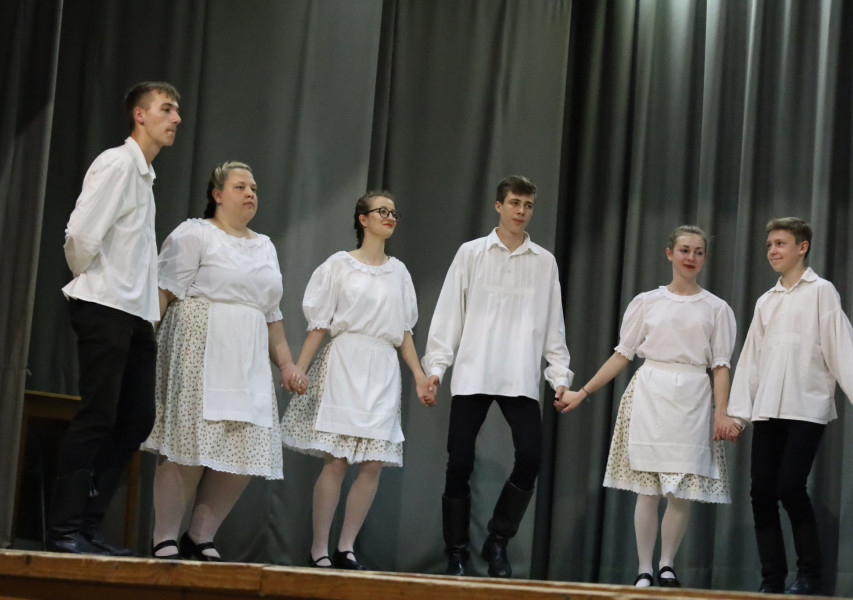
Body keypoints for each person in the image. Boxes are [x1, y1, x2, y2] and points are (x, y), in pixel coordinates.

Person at [556, 225, 741, 588]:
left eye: (698, 252)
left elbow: (721, 366)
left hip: (693, 397)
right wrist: (583, 392)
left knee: (679, 489)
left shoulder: (716, 308)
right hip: (651, 393)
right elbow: (622, 354)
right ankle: (644, 569)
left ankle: (667, 564)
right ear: (670, 253)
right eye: (684, 250)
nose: (691, 258)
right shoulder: (647, 302)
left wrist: (721, 412)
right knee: (649, 488)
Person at [142, 161, 304, 561]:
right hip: (200, 347)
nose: (250, 193)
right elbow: (164, 293)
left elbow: (272, 314)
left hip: (248, 355)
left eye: (254, 188)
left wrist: (286, 365)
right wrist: (141, 343)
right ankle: (164, 537)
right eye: (240, 187)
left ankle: (200, 536)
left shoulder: (264, 246)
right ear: (217, 195)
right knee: (189, 442)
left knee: (243, 449)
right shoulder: (195, 233)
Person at [50, 81, 181, 555]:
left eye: (177, 111)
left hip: (135, 315)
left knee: (137, 418)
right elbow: (80, 236)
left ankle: (87, 522)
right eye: (166, 109)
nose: (176, 118)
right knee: (98, 415)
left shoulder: (145, 177)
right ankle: (64, 529)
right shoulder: (118, 163)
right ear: (139, 115)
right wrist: (94, 282)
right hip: (105, 306)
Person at [422, 175, 572, 579]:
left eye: (528, 205)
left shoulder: (544, 262)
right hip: (474, 370)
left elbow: (553, 325)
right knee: (459, 462)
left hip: (519, 374)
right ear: (498, 205)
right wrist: (436, 368)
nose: (521, 211)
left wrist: (558, 375)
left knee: (531, 457)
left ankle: (498, 539)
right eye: (515, 203)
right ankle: (456, 553)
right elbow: (449, 313)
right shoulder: (471, 253)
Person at [728, 217, 853, 595]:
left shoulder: (821, 291)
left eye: (780, 243)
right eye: (769, 245)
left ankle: (810, 574)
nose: (772, 251)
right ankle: (772, 579)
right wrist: (738, 414)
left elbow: (840, 345)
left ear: (802, 247)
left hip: (805, 407)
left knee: (790, 487)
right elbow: (751, 360)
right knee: (761, 493)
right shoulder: (766, 301)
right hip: (768, 408)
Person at [281, 191, 434, 570]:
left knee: (372, 463)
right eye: (382, 211)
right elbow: (319, 324)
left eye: (394, 212)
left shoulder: (399, 272)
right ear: (363, 219)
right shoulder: (340, 265)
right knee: (337, 460)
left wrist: (419, 375)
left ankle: (346, 547)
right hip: (346, 362)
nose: (390, 217)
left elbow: (404, 331)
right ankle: (319, 549)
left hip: (382, 368)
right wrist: (299, 367)